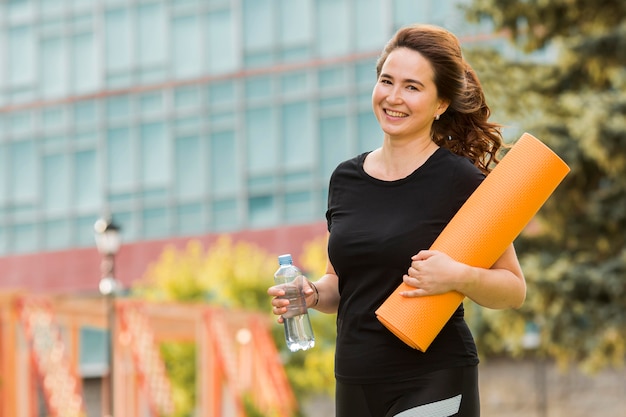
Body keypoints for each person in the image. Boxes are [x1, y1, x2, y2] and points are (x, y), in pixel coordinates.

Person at [268, 24, 526, 417]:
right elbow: (341, 283)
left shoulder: (461, 180)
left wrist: (459, 276)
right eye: (387, 81)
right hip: (354, 379)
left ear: (441, 103)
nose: (393, 97)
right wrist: (312, 294)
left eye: (412, 87)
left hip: (432, 374)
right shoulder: (345, 179)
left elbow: (513, 288)